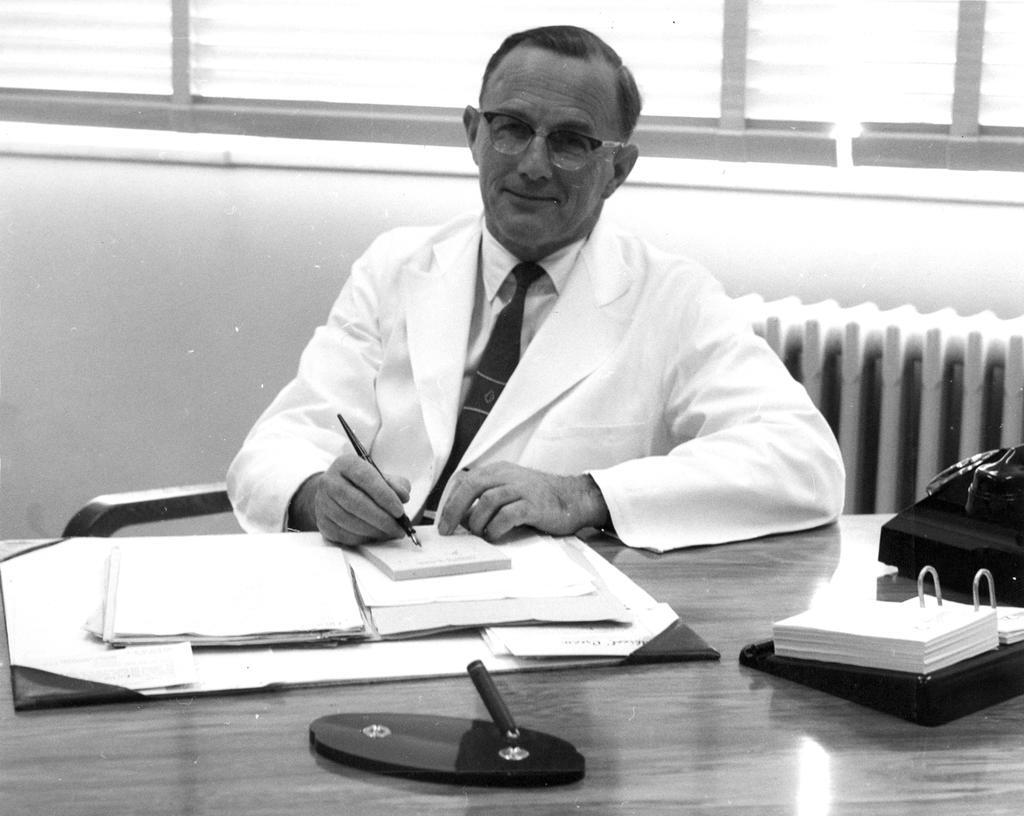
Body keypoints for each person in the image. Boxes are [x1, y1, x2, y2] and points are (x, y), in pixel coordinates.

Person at [227, 25, 845, 553]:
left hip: (546, 634)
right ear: (473, 134)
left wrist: (584, 494)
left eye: (572, 142)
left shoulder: (672, 298)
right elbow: (276, 445)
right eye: (511, 129)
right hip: (375, 586)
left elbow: (804, 462)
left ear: (619, 170)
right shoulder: (394, 267)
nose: (533, 164)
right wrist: (315, 497)